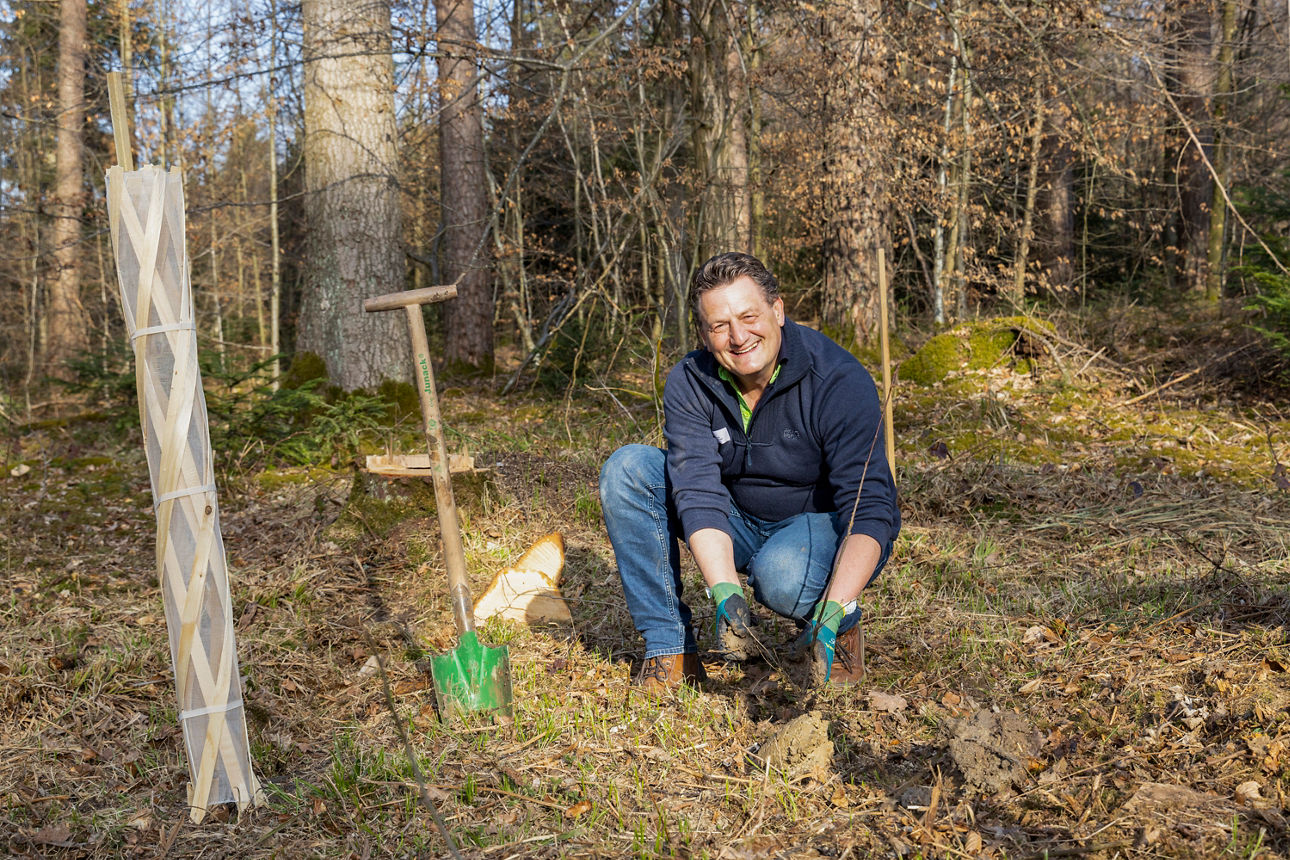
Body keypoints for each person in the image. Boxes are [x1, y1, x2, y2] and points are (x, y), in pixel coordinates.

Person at [600, 251, 900, 692]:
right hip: (733, 518)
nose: (738, 337)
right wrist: (724, 592)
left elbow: (869, 508)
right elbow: (698, 492)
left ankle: (841, 622)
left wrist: (838, 604)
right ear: (703, 333)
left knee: (779, 575)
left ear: (777, 311)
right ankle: (670, 648)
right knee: (629, 469)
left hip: (813, 528)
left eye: (749, 316)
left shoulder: (837, 378)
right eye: (720, 326)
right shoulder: (691, 380)